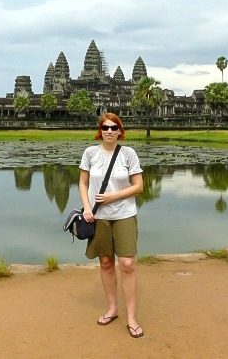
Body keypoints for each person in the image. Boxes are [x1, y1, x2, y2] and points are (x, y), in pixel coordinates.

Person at [78, 113, 144, 338]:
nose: (109, 131)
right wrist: (87, 207)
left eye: (113, 127)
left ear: (119, 131)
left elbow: (138, 186)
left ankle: (132, 318)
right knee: (106, 262)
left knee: (127, 263)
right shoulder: (90, 153)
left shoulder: (128, 154)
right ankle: (113, 308)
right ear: (100, 130)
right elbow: (83, 182)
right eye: (105, 127)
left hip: (124, 214)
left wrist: (112, 197)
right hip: (99, 217)